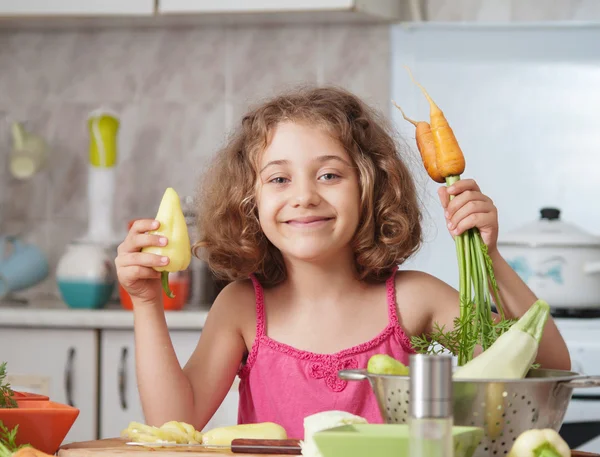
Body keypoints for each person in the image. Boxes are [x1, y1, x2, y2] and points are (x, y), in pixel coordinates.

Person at [115, 85, 570, 439]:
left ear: (369, 187)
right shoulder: (241, 309)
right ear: (250, 202)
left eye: (329, 174)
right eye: (278, 178)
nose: (305, 196)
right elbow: (173, 422)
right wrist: (146, 304)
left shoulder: (413, 301)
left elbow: (542, 370)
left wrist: (490, 259)